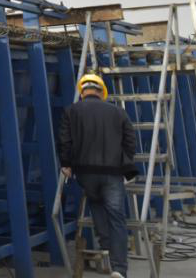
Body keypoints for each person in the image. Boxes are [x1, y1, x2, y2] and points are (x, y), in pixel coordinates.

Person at [59, 74, 137, 278]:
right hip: (112, 173)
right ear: (102, 91)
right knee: (116, 218)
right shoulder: (118, 112)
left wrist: (66, 164)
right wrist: (126, 163)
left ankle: (107, 249)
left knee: (96, 206)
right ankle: (119, 268)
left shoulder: (71, 111)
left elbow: (65, 141)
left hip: (86, 174)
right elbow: (130, 140)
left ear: (82, 91)